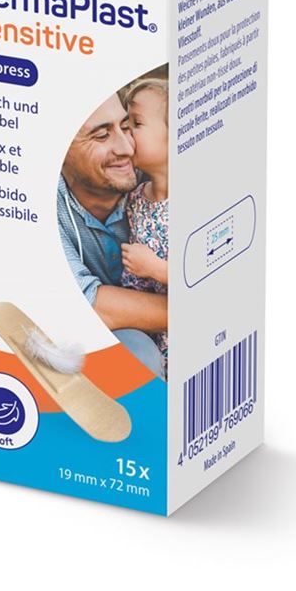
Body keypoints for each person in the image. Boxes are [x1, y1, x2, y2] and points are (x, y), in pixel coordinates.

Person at [58, 92, 167, 377]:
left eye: (127, 126)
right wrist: (205, 307)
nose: (127, 148)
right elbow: (88, 306)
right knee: (137, 351)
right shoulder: (40, 206)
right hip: (80, 340)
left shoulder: (155, 179)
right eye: (102, 135)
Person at [120, 79, 169, 377]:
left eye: (136, 123)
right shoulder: (136, 198)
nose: (126, 133)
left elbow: (205, 278)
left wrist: (154, 268)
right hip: (146, 337)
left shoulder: (199, 202)